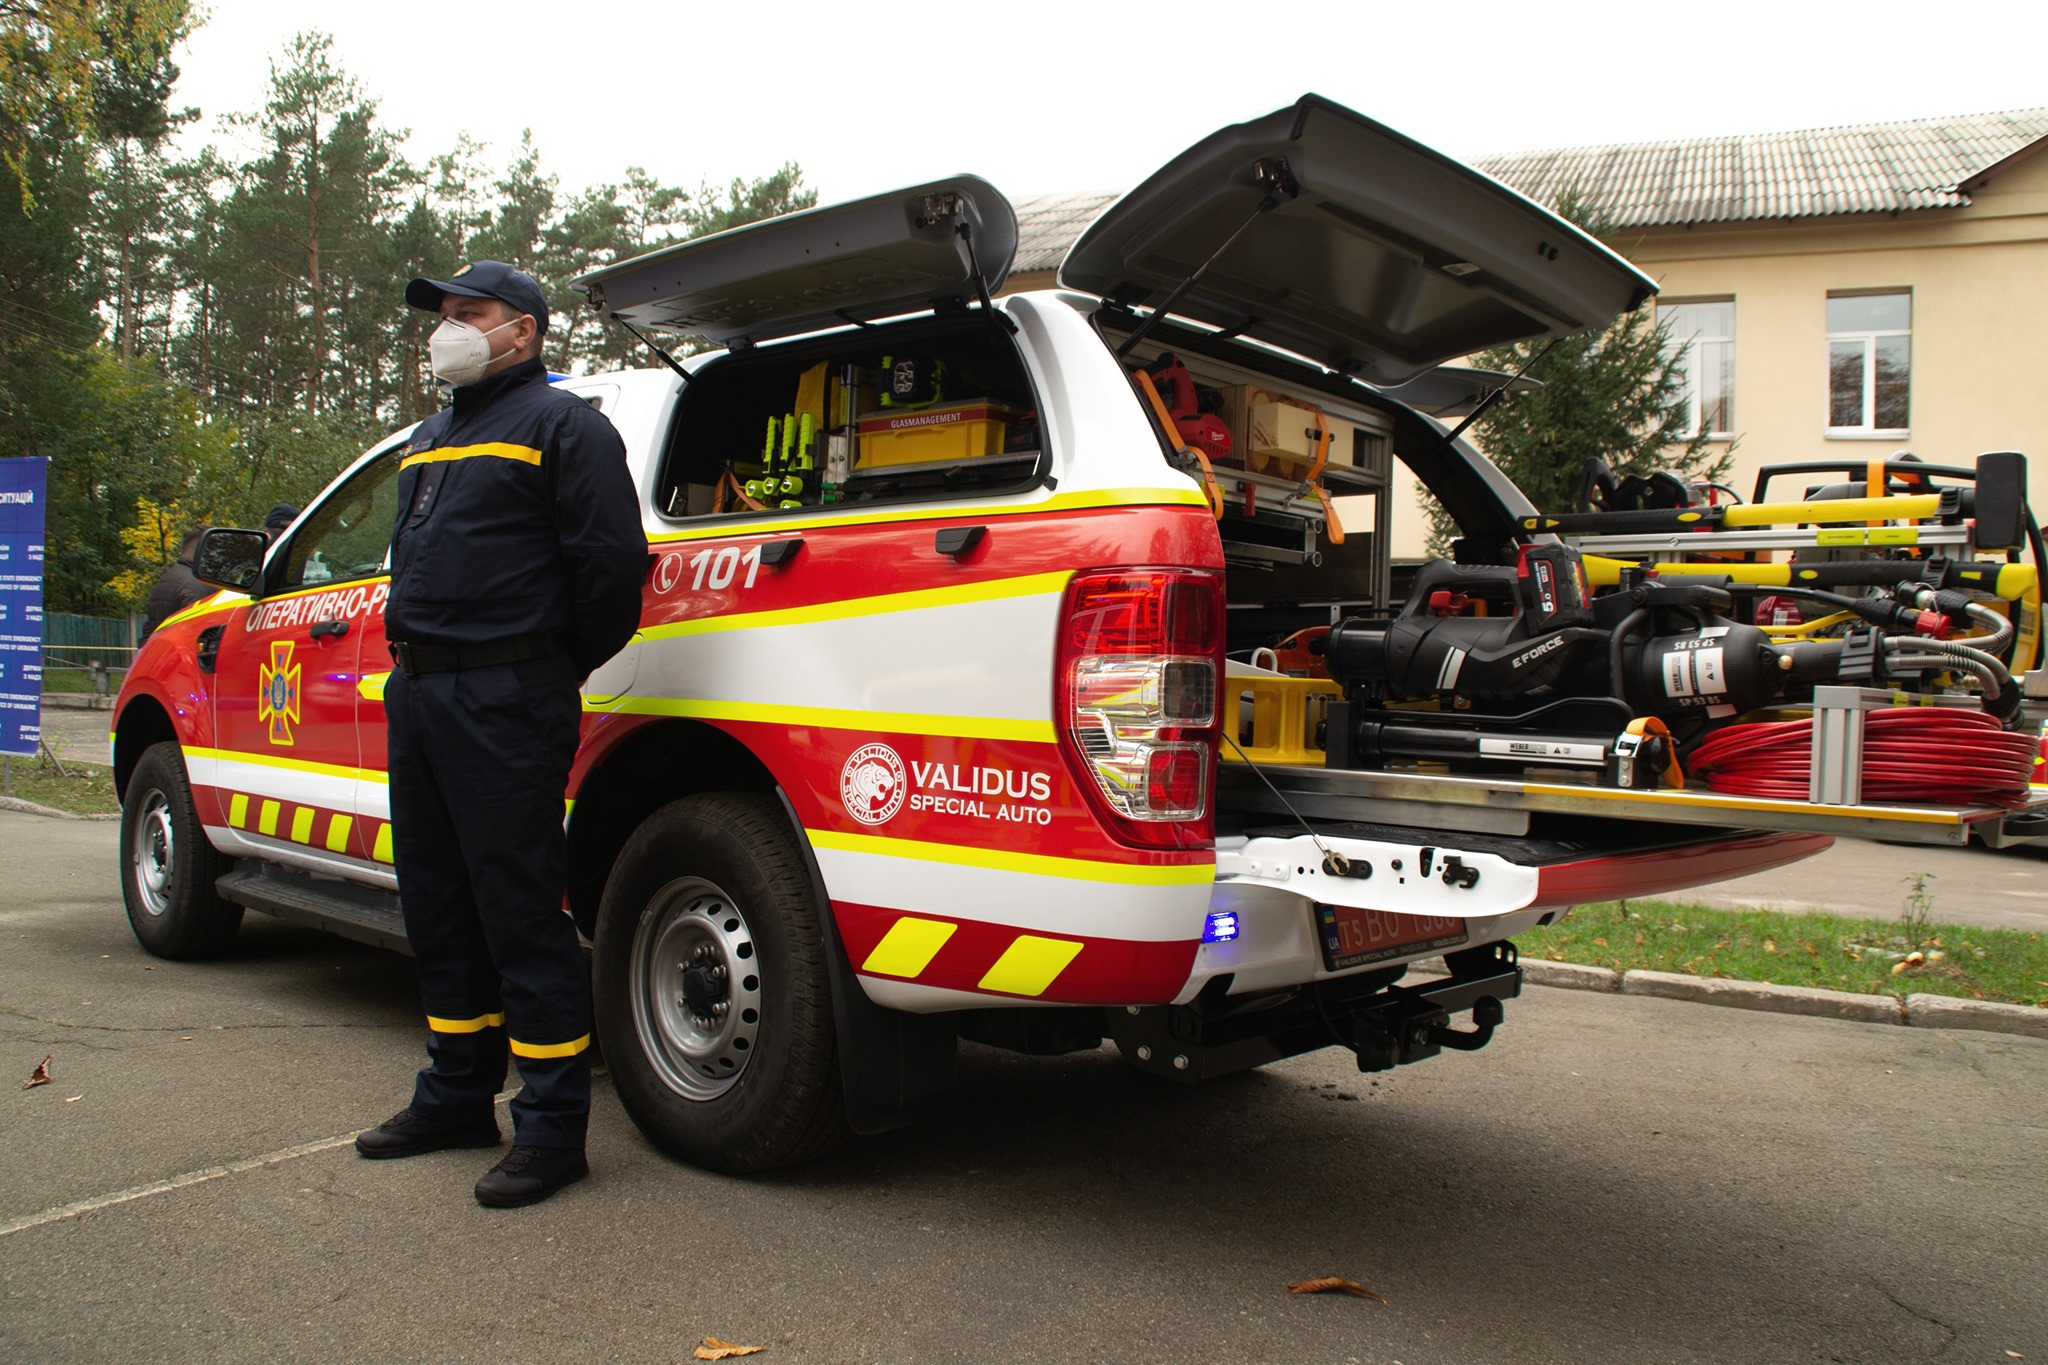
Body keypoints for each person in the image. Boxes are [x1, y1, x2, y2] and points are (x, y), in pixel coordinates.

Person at [352, 260, 646, 1207]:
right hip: (423, 695)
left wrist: (545, 668)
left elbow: (610, 572)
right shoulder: (430, 436)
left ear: (522, 329)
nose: (449, 329)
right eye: (443, 316)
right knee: (438, 901)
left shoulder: (567, 427)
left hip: (507, 697)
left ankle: (553, 1125)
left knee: (518, 906)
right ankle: (455, 1093)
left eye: (467, 313)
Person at [138, 525, 212, 642]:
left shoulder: (168, 578)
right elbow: (199, 637)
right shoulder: (197, 584)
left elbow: (150, 628)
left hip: (161, 653)